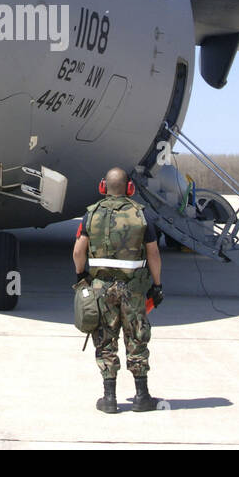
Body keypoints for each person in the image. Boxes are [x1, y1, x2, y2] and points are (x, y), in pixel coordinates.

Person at [72, 167, 163, 414]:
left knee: (105, 340)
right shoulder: (143, 216)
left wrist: (81, 277)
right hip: (133, 290)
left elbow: (78, 251)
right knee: (136, 339)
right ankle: (142, 396)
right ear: (129, 189)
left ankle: (109, 399)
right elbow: (153, 254)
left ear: (103, 187)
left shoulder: (90, 216)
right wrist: (157, 285)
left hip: (101, 289)